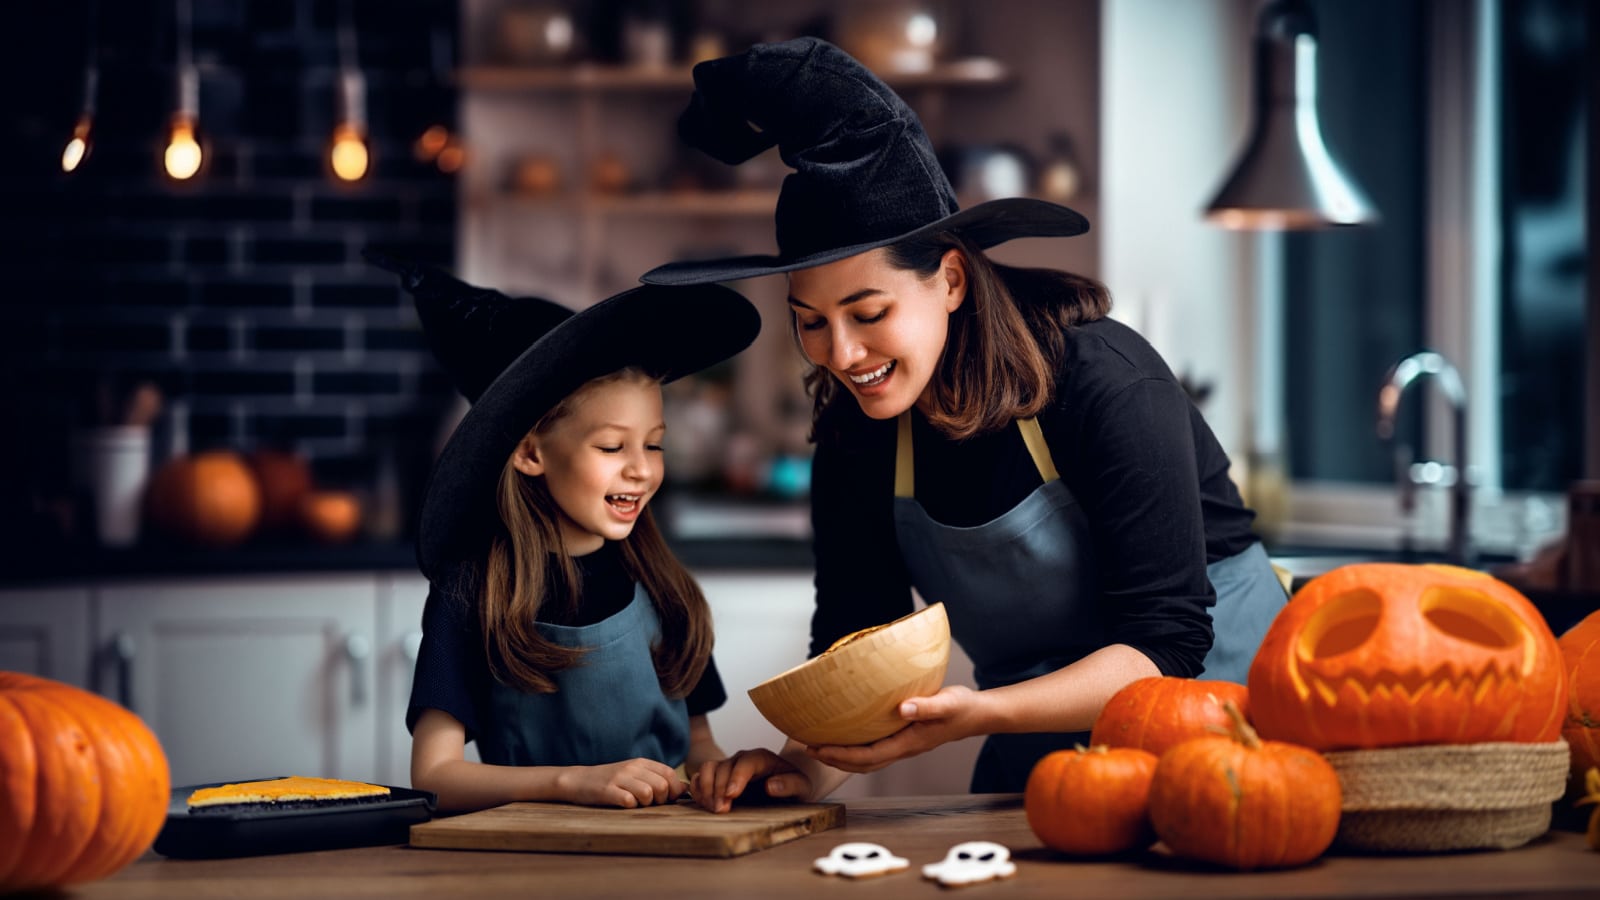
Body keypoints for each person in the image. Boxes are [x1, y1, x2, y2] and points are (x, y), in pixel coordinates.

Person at [639, 38, 1288, 806]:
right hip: (1046, 765)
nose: (841, 354)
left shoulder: (1106, 381)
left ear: (949, 278)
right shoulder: (856, 434)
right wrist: (799, 769)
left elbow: (1169, 644)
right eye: (809, 322)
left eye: (869, 312)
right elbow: (858, 649)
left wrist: (979, 715)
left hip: (1227, 742)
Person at [367, 251, 760, 813]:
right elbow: (435, 776)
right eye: (611, 446)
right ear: (530, 452)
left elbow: (698, 744)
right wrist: (570, 783)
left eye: (653, 444)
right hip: (529, 862)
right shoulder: (472, 589)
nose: (642, 469)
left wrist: (719, 776)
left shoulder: (663, 585)